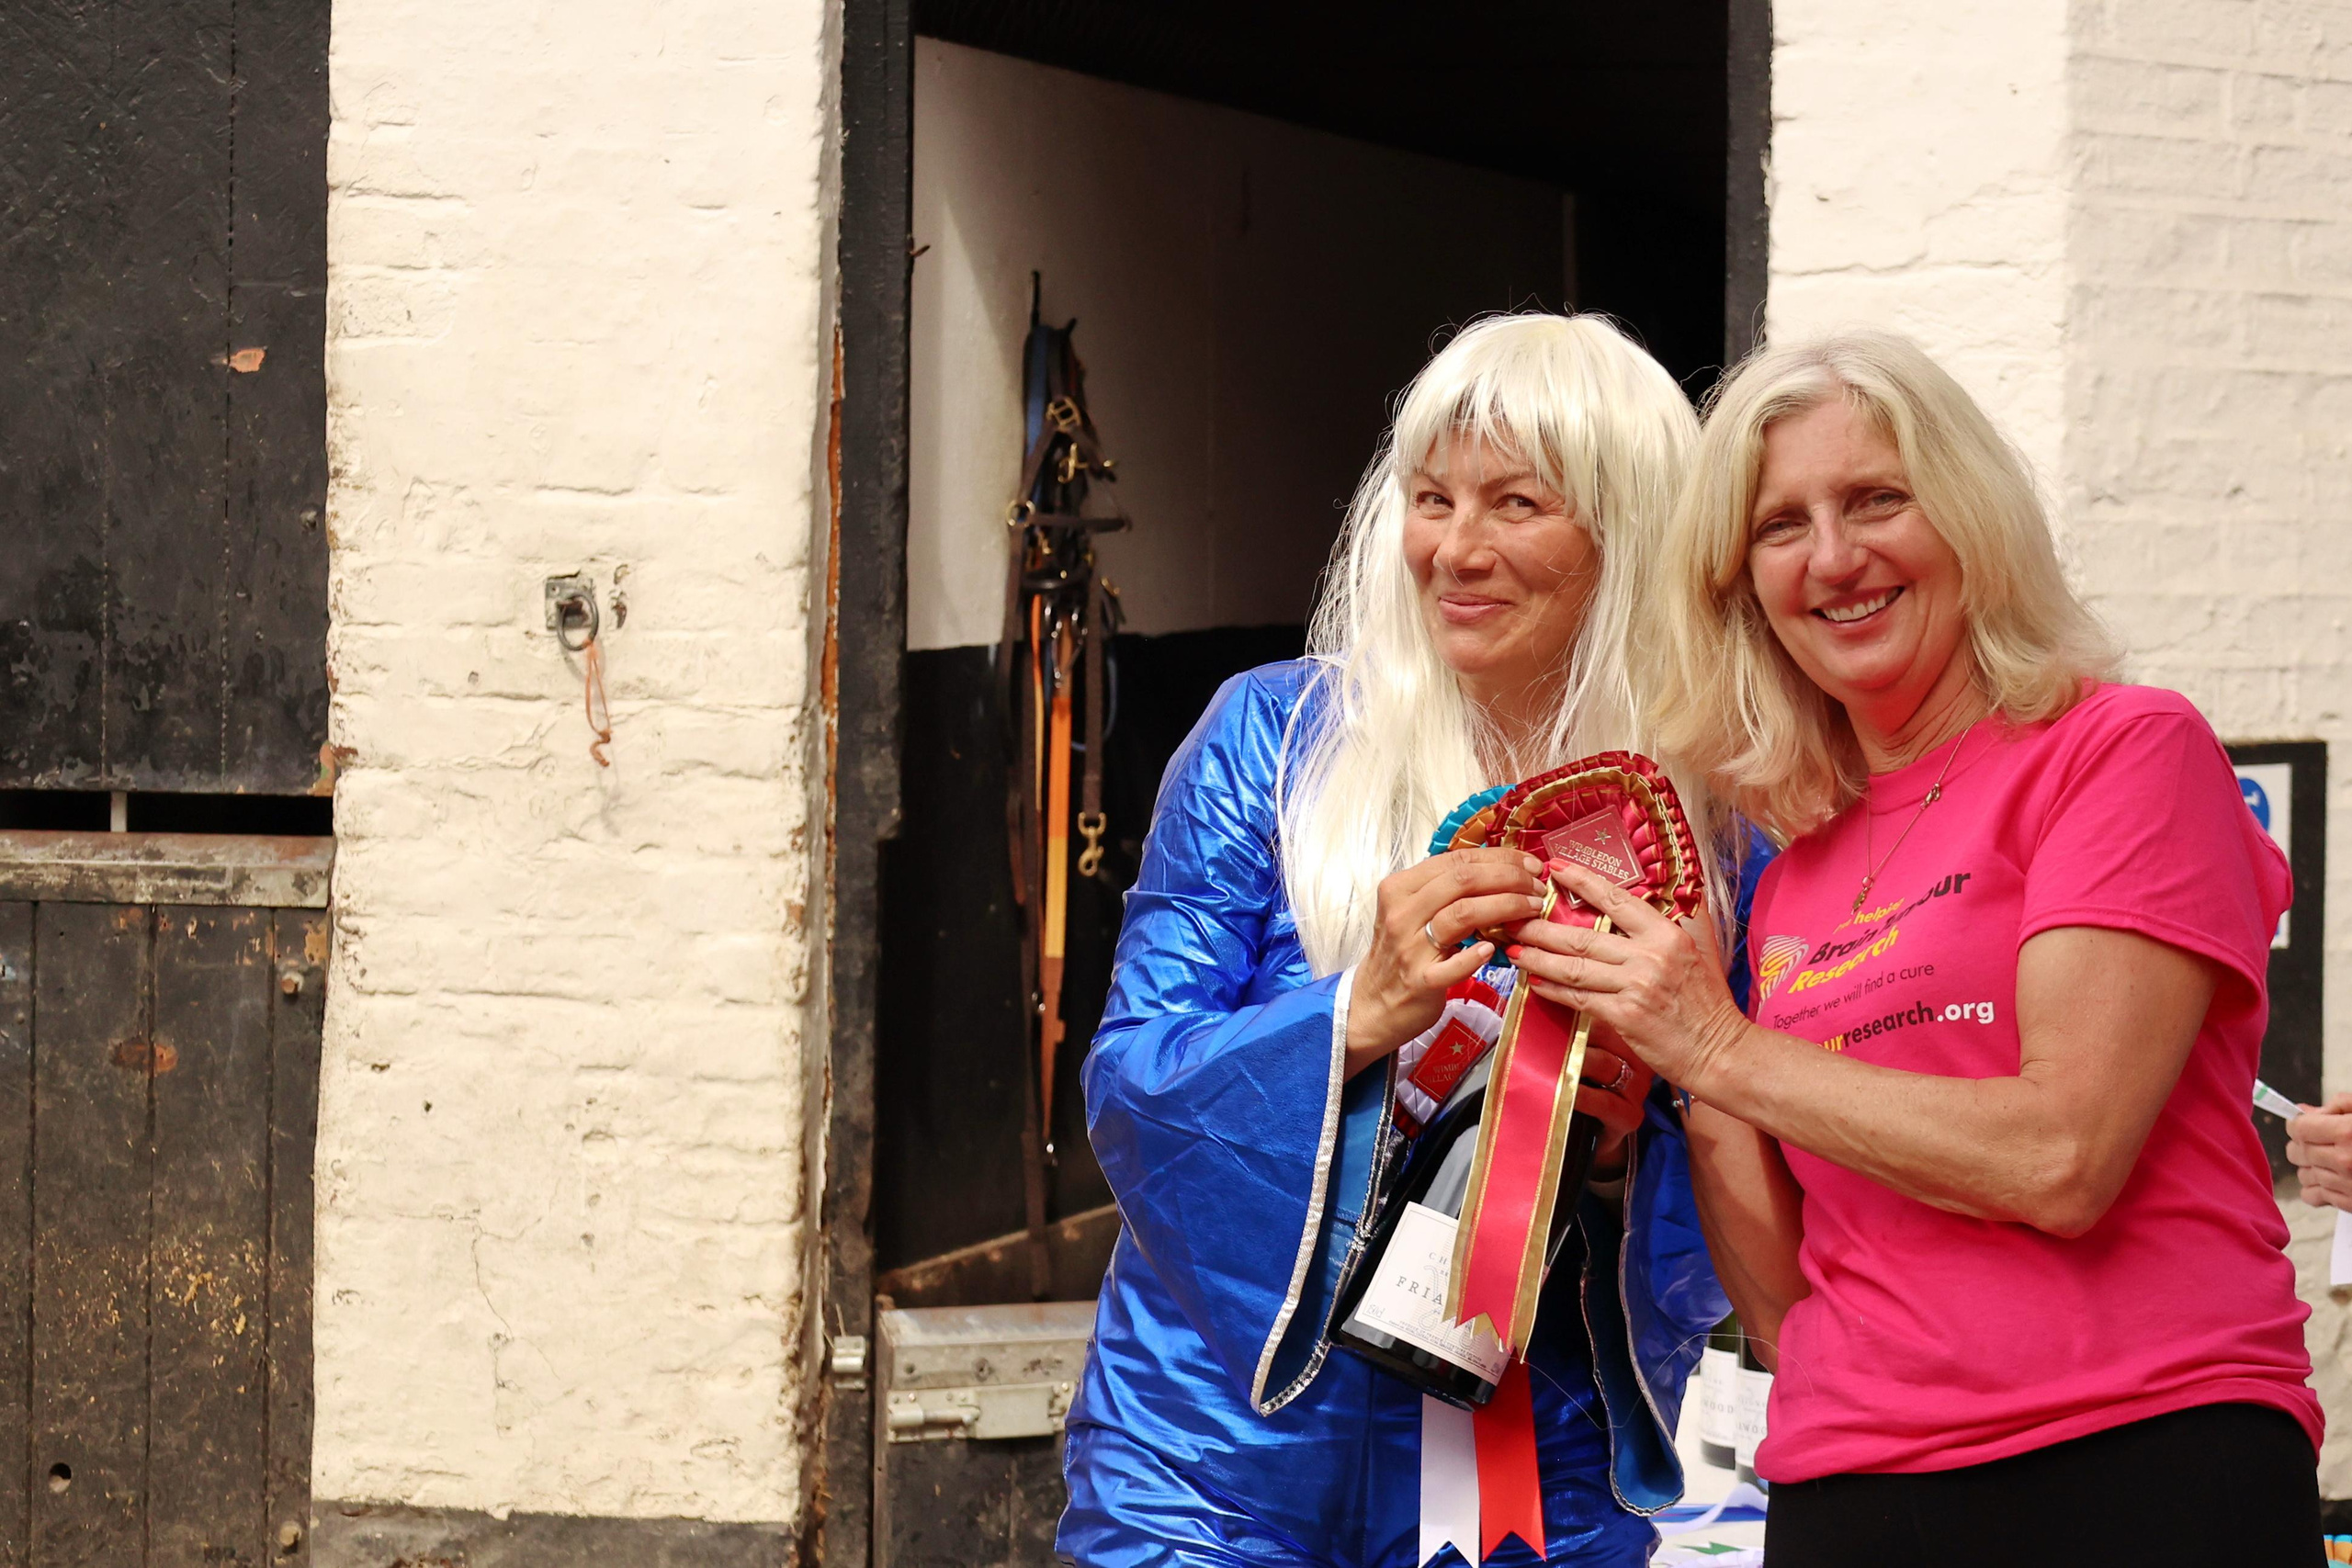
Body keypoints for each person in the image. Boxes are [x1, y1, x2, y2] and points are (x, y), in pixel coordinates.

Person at [1510, 332, 2324, 1567]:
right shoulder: (1792, 884)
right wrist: (1691, 1074)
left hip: (2144, 1453)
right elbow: (1794, 1313)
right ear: (1742, 585)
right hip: (1856, 1485)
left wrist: (1721, 1043)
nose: (1834, 558)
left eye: (1876, 499)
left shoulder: (2120, 753)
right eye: (1782, 526)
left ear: (1971, 520)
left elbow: (2064, 1155)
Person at [1057, 313, 1743, 1568]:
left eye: (1516, 504)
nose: (1455, 550)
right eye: (1432, 499)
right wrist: (1354, 1016)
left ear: (1626, 531)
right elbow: (1131, 1084)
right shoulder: (1272, 741)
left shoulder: (1701, 819)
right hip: (1211, 1445)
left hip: (1531, 1440)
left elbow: (1753, 1213)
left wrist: (1617, 1159)